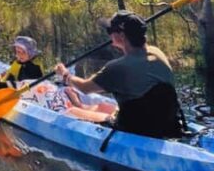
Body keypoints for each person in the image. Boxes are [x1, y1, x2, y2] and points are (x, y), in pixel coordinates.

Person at [54, 10, 183, 139]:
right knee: (102, 106)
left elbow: (85, 88)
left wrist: (66, 75)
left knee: (71, 111)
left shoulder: (117, 67)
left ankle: (78, 105)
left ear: (121, 36)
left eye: (110, 31)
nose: (109, 35)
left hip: (137, 130)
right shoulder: (157, 52)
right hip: (168, 124)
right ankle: (80, 103)